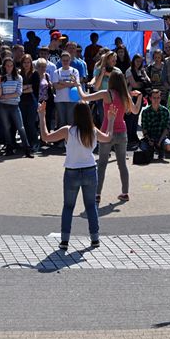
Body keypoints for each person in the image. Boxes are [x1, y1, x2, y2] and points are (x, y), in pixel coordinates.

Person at [39, 101, 115, 249]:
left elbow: (45, 137)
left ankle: (65, 240)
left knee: (68, 206)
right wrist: (110, 119)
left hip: (72, 171)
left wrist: (42, 115)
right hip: (90, 170)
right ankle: (95, 238)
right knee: (91, 206)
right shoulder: (92, 130)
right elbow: (108, 137)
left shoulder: (68, 130)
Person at [81, 70, 142, 202]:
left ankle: (97, 194)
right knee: (122, 164)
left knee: (102, 164)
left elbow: (85, 98)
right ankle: (125, 192)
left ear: (111, 82)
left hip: (106, 132)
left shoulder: (106, 93)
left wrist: (77, 85)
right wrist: (140, 97)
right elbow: (136, 111)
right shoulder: (126, 96)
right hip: (121, 132)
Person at [0, 56, 34, 158]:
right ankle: (9, 147)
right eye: (7, 66)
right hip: (3, 106)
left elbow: (18, 92)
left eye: (11, 65)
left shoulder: (18, 77)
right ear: (4, 66)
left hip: (14, 105)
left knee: (20, 127)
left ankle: (27, 148)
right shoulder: (1, 78)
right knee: (7, 127)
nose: (9, 68)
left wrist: (6, 96)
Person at [139, 89, 170, 160]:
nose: (156, 100)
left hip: (161, 137)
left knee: (169, 146)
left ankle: (161, 150)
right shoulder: (145, 112)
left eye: (158, 98)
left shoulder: (165, 111)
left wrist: (160, 141)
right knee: (143, 148)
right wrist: (149, 139)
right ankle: (150, 150)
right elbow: (144, 127)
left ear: (160, 98)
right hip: (149, 137)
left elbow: (166, 128)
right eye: (154, 98)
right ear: (150, 98)